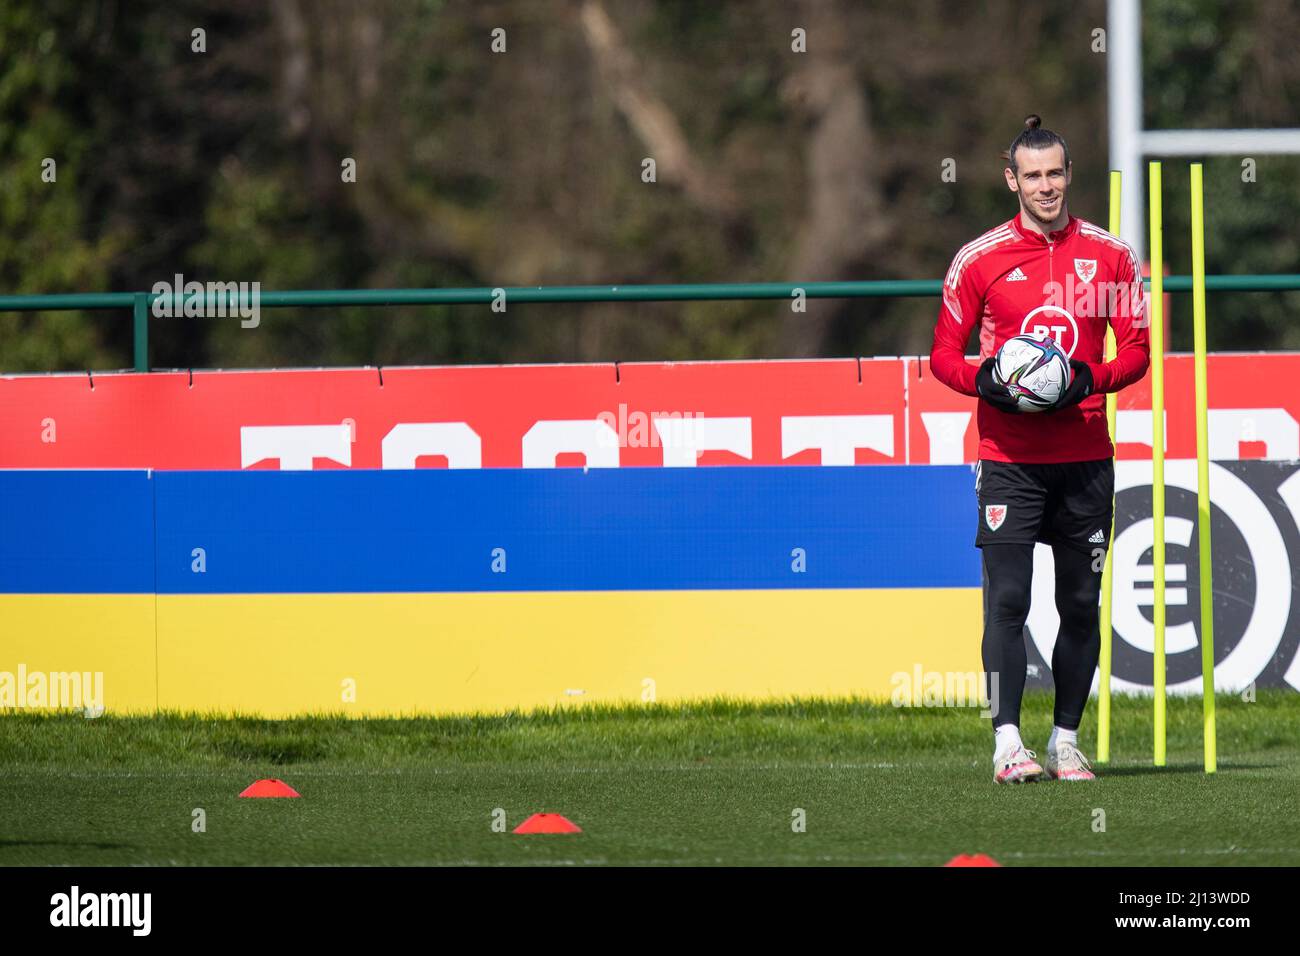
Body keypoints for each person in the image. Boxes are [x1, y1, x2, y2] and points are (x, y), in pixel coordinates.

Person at [929, 115, 1151, 784]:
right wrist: (986, 380)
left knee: (1082, 602)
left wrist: (1091, 377)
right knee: (1009, 599)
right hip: (1009, 460)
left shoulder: (1111, 255)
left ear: (1069, 175)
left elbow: (1137, 350)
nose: (1046, 186)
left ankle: (1064, 742)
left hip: (1085, 457)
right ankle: (1006, 746)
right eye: (1033, 175)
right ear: (1011, 180)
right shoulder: (979, 258)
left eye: (1056, 173)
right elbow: (942, 355)